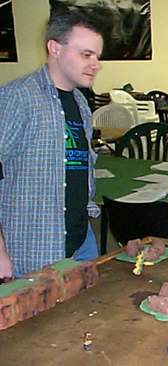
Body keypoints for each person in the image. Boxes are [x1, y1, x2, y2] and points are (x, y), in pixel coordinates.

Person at [0, 11, 103, 277]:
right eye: (86, 55)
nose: (96, 64)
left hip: (81, 242)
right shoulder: (18, 98)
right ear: (55, 48)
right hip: (34, 250)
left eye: (97, 56)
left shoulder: (80, 103)